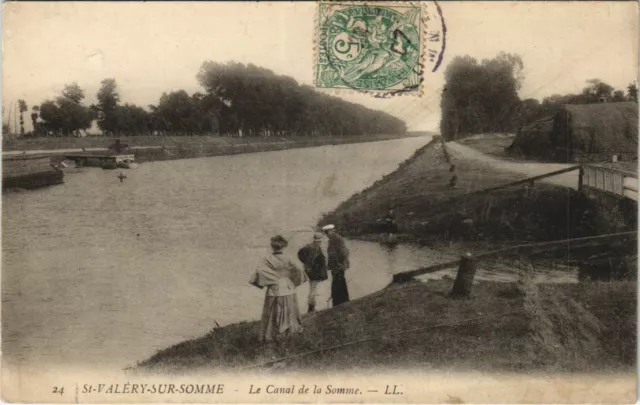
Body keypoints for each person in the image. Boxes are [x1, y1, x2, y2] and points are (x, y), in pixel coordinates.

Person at [249, 235, 308, 342]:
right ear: (284, 247)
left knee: (272, 312)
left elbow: (259, 272)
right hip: (288, 287)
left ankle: (271, 335)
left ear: (272, 247)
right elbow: (299, 269)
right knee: (290, 310)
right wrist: (294, 281)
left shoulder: (267, 259)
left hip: (274, 289)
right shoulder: (288, 258)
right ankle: (290, 332)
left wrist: (270, 280)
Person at [297, 233, 328, 313]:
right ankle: (311, 307)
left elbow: (300, 254)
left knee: (313, 288)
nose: (320, 242)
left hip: (313, 271)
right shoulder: (313, 248)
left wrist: (305, 263)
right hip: (314, 272)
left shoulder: (311, 246)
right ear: (317, 241)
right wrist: (306, 263)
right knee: (313, 289)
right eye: (319, 241)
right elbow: (300, 254)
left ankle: (312, 306)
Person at [322, 224, 350, 306]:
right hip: (335, 265)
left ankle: (340, 301)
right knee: (338, 282)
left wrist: (342, 263)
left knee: (338, 282)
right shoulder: (332, 239)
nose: (327, 234)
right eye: (326, 233)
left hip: (338, 265)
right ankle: (340, 300)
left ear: (332, 231)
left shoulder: (337, 239)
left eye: (328, 232)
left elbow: (344, 252)